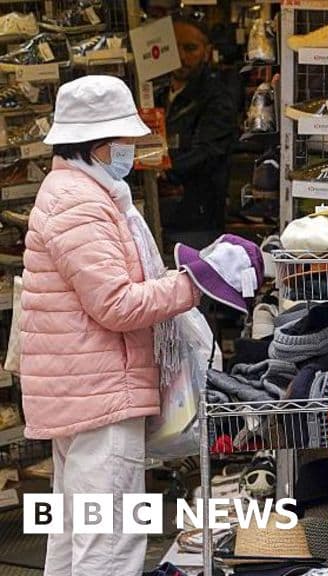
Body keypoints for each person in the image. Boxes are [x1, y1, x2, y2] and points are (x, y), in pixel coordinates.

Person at [19, 75, 202, 575]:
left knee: (76, 532)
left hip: (84, 388)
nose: (130, 150)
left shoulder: (79, 192)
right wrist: (193, 285)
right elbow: (116, 304)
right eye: (124, 140)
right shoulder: (81, 202)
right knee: (111, 540)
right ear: (97, 143)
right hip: (100, 390)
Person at [160, 15, 237, 245]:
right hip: (159, 213)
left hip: (197, 221)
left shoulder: (218, 97)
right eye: (173, 48)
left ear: (207, 51)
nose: (181, 57)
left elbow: (208, 152)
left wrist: (164, 171)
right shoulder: (155, 94)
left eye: (190, 48)